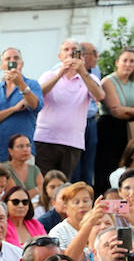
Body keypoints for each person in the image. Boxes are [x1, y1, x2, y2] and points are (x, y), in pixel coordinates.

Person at [32, 40, 104, 179]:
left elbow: (99, 95)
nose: (70, 52)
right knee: (44, 183)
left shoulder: (90, 78)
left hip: (72, 141)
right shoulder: (49, 75)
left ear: (81, 56)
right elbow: (37, 95)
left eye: (74, 50)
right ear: (60, 56)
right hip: (46, 138)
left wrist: (82, 72)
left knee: (65, 185)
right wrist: (60, 74)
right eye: (66, 49)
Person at [97, 50, 134, 192]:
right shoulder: (108, 81)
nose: (128, 64)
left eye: (132, 61)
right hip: (110, 128)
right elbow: (115, 110)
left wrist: (125, 109)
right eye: (125, 60)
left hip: (132, 130)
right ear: (117, 62)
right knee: (109, 166)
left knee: (129, 162)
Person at [0, 48, 42, 164]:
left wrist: (21, 85)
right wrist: (14, 109)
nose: (12, 61)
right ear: (2, 65)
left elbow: (36, 106)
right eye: (8, 59)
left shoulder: (32, 85)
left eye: (16, 58)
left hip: (23, 155)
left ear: (22, 64)